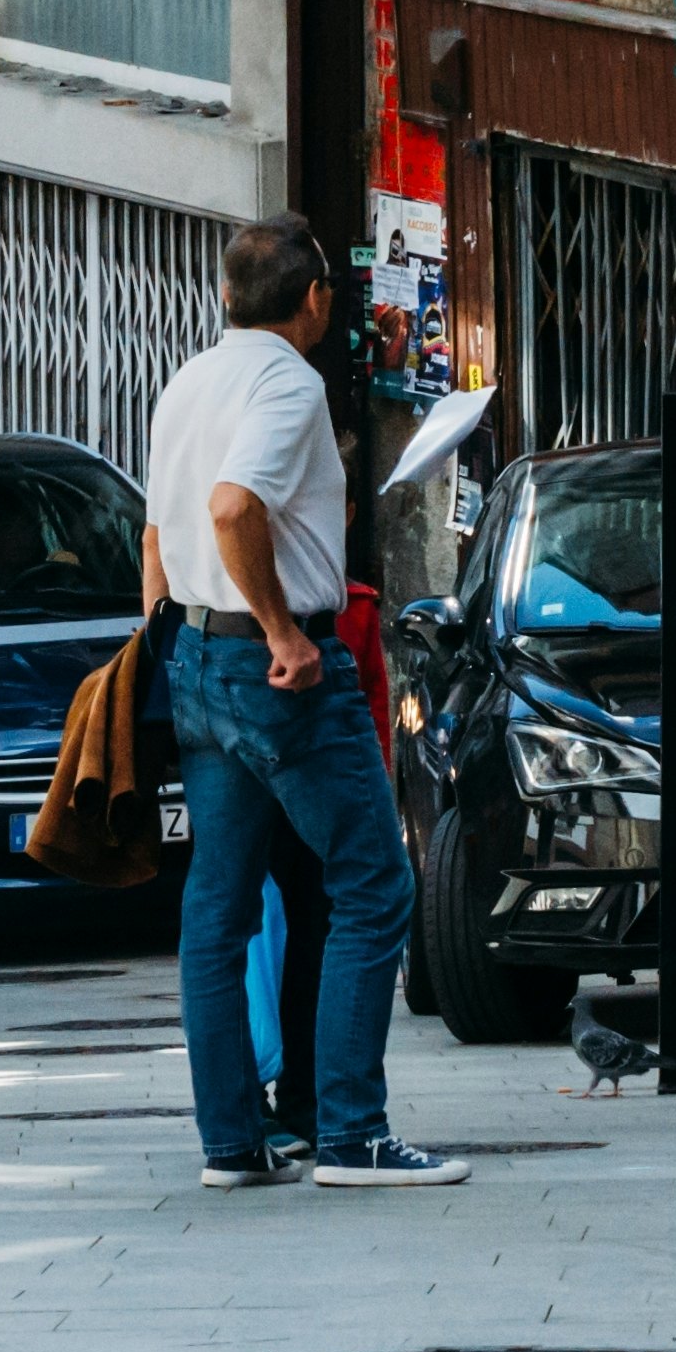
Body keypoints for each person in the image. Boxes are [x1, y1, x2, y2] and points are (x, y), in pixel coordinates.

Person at [140, 216, 460, 1193]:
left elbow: (155, 536)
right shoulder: (286, 383)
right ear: (313, 299)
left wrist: (167, 642)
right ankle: (351, 1134)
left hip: (194, 657)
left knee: (219, 906)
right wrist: (280, 631)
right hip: (271, 671)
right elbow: (231, 508)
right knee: (373, 883)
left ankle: (233, 1140)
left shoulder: (187, 380)